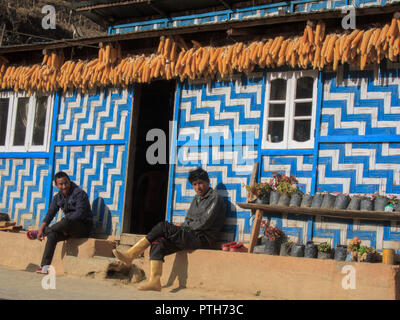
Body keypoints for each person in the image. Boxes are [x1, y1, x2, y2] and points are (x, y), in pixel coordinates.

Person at [113, 167, 226, 291]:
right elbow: (188, 220)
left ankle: (132, 254)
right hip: (191, 235)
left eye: (200, 183)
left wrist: (184, 229)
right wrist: (182, 228)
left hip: (203, 238)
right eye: (194, 184)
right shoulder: (196, 199)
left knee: (163, 226)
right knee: (158, 242)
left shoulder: (215, 198)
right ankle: (154, 281)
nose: (198, 187)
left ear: (208, 182)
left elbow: (204, 223)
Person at [27, 171, 93, 274]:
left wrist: (65, 226)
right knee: (52, 235)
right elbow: (50, 213)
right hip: (66, 228)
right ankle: (44, 267)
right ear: (57, 185)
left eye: (66, 183)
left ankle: (45, 231)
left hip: (82, 228)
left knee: (66, 221)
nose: (64, 186)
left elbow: (80, 214)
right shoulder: (58, 197)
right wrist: (41, 228)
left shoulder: (79, 194)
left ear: (69, 182)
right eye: (61, 184)